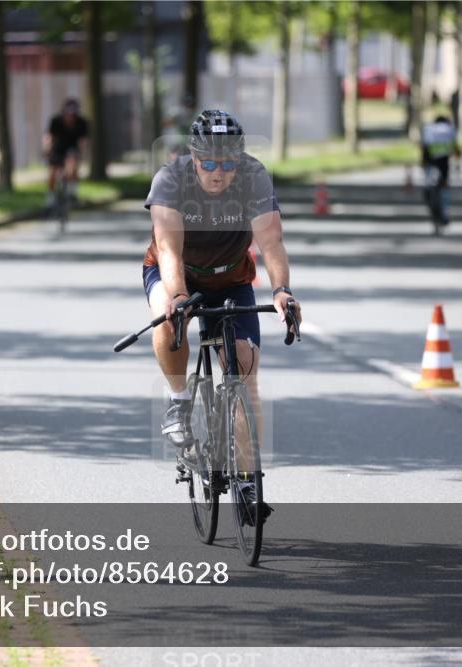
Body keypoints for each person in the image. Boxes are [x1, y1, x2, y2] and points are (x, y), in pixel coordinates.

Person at [142, 109, 301, 515]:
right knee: (166, 314)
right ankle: (179, 399)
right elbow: (167, 248)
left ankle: (247, 482)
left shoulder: (253, 177)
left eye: (227, 163)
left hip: (231, 279)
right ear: (192, 157)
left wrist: (282, 290)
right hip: (177, 275)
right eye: (208, 163)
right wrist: (179, 299)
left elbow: (271, 240)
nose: (218, 172)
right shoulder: (171, 180)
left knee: (245, 371)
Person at [43, 99, 88, 210]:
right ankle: (51, 198)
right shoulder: (55, 121)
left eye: (73, 115)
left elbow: (82, 142)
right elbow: (48, 138)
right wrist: (46, 150)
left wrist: (80, 156)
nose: (70, 117)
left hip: (72, 149)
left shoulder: (82, 123)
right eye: (68, 114)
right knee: (52, 172)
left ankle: (72, 193)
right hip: (58, 149)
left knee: (72, 163)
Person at [421, 114, 461, 227]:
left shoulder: (428, 129)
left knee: (428, 188)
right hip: (443, 163)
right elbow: (456, 149)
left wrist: (422, 163)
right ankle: (445, 212)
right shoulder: (449, 130)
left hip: (430, 161)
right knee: (444, 189)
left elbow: (424, 147)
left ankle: (431, 208)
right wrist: (458, 164)